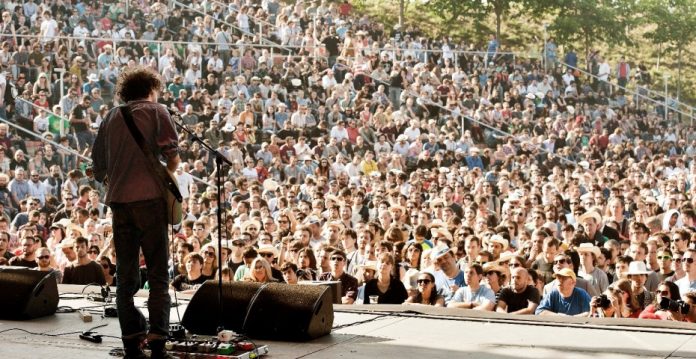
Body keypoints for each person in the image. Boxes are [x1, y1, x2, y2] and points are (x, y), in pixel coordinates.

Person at [92, 66, 180, 359]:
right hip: (150, 201)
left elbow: (97, 167)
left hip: (119, 202)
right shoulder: (158, 111)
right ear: (151, 88)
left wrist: (116, 179)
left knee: (125, 276)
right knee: (157, 275)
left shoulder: (110, 117)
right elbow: (172, 156)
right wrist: (165, 176)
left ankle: (132, 340)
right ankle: (157, 340)